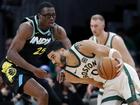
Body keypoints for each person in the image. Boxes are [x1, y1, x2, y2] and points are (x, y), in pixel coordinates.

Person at [0, 1, 71, 105]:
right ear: (39, 16)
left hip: (31, 68)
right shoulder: (28, 27)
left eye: (53, 15)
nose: (51, 18)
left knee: (55, 102)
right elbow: (11, 54)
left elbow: (72, 53)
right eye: (47, 15)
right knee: (42, 94)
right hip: (12, 66)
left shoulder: (58, 31)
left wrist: (67, 69)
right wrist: (34, 70)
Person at [45, 40, 140, 105]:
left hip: (120, 72)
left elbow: (110, 51)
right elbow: (95, 83)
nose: (53, 62)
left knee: (133, 102)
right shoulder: (70, 76)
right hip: (108, 83)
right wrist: (114, 89)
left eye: (53, 57)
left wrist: (118, 58)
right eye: (51, 59)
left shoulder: (81, 47)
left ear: (62, 50)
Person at [87, 14, 136, 105]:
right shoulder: (90, 42)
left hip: (122, 80)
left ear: (103, 25)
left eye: (96, 26)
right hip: (106, 82)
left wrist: (131, 84)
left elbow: (130, 63)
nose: (93, 29)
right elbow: (95, 67)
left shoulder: (115, 40)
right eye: (91, 26)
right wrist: (92, 83)